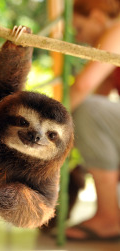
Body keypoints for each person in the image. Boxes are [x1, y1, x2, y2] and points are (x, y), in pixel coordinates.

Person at [66, 0, 120, 241]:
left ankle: (109, 217)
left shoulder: (118, 29)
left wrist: (45, 122)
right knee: (86, 112)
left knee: (85, 110)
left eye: (79, 28)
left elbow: (83, 87)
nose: (82, 39)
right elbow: (98, 93)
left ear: (97, 17)